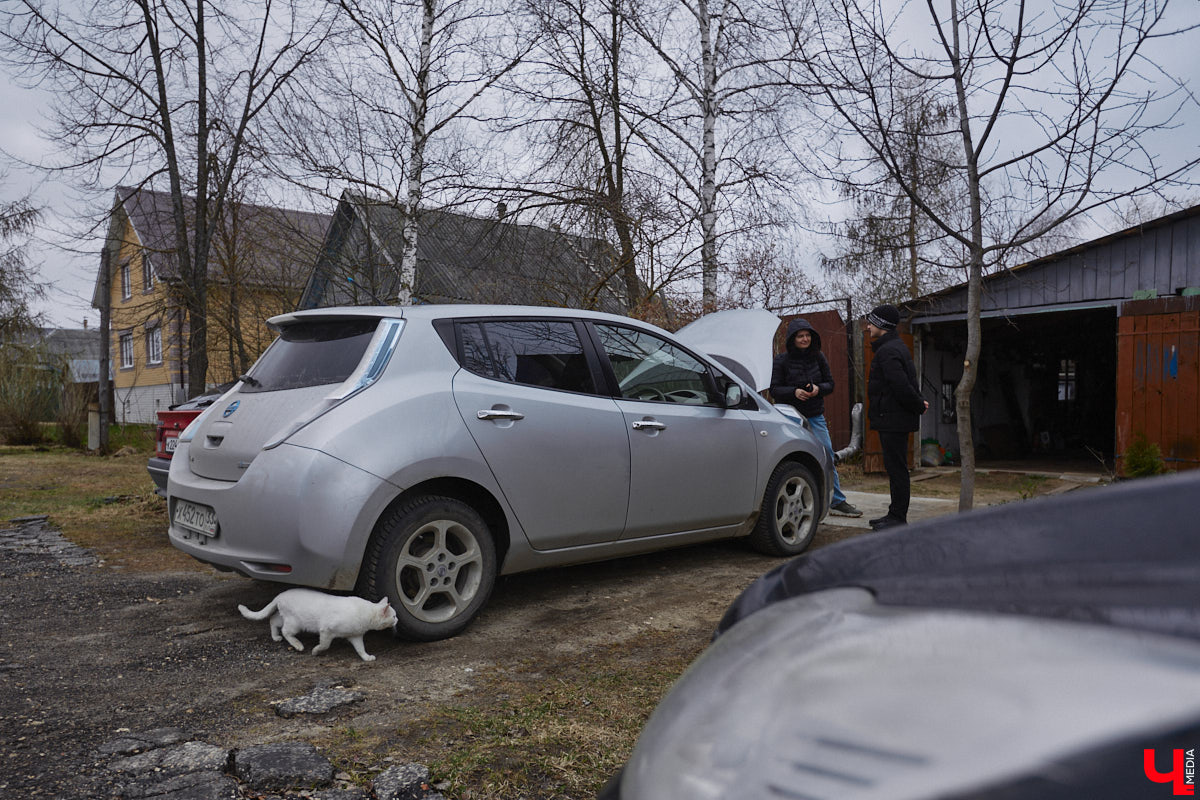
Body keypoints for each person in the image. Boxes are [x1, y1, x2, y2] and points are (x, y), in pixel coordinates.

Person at [770, 318, 862, 517]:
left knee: (826, 454)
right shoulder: (781, 360)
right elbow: (775, 389)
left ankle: (836, 501)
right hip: (790, 418)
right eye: (800, 336)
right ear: (792, 339)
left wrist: (818, 389)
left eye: (807, 335)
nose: (804, 339)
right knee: (791, 457)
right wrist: (794, 392)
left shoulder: (818, 357)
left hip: (814, 415)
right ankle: (792, 499)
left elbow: (830, 384)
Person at [864, 304, 929, 531]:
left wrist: (918, 404)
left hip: (893, 419)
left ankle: (898, 518)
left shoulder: (888, 350)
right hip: (893, 418)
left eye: (871, 322)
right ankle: (894, 514)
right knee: (895, 468)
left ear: (882, 325)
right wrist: (919, 401)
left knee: (897, 469)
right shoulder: (893, 347)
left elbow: (900, 385)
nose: (868, 326)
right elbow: (907, 382)